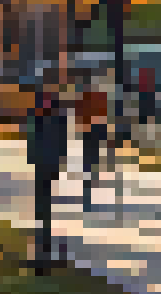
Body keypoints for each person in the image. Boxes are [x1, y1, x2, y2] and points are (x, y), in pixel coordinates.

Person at [26, 91, 68, 267]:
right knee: (41, 214)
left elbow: (59, 146)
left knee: (49, 214)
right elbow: (33, 143)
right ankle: (42, 253)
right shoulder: (37, 119)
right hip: (41, 169)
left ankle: (51, 254)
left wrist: (56, 166)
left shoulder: (56, 120)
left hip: (49, 170)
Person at [78, 81, 109, 184]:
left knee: (92, 150)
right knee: (91, 150)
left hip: (94, 127)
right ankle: (90, 175)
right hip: (93, 127)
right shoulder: (95, 96)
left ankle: (90, 174)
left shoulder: (90, 96)